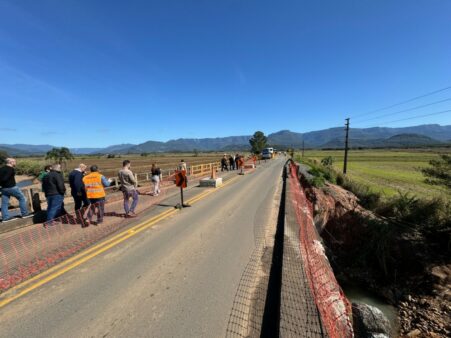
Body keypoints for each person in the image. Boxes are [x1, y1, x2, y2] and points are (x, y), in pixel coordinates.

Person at [0, 158, 32, 222]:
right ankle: (25, 214)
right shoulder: (11, 169)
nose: (15, 162)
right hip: (11, 187)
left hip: (3, 188)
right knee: (22, 198)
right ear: (10, 162)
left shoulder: (1, 169)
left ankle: (5, 218)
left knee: (4, 203)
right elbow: (5, 178)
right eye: (14, 161)